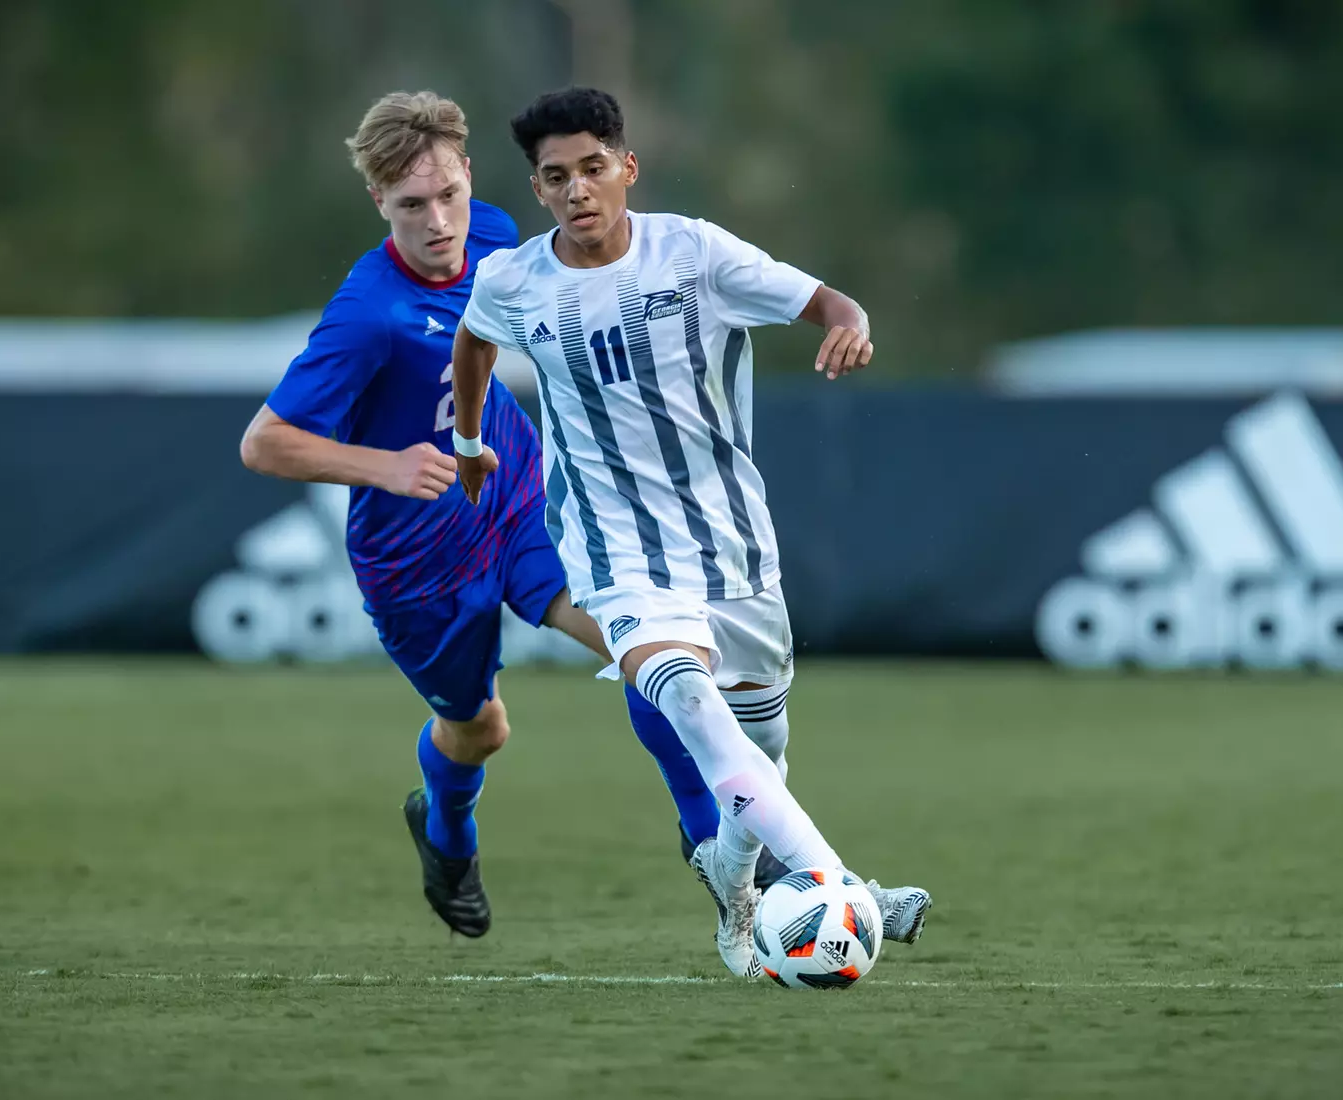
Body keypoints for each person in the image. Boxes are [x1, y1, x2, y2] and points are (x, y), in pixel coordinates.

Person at [239, 91, 788, 941]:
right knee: (479, 728)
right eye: (411, 206)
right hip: (417, 561)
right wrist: (387, 465)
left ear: (470, 177)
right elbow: (265, 443)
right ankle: (446, 833)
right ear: (378, 205)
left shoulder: (502, 238)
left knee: (650, 649)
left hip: (525, 505)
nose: (439, 220)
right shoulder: (368, 316)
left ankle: (716, 843)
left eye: (449, 195)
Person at [448, 86, 932, 977]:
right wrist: (469, 440)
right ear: (538, 189)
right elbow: (474, 344)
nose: (578, 189)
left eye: (594, 168)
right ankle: (837, 884)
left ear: (627, 168)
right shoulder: (514, 279)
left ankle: (732, 874)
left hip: (732, 544)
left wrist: (851, 322)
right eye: (556, 177)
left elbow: (825, 302)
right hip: (614, 549)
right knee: (689, 703)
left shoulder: (695, 253)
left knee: (761, 749)